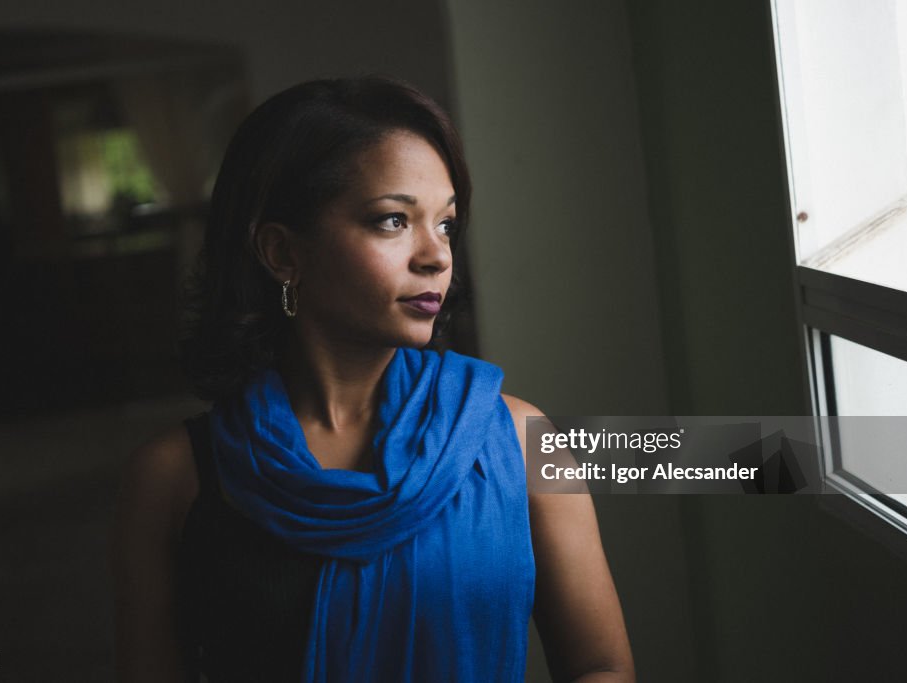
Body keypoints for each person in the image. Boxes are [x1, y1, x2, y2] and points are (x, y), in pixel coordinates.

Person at [112, 76, 633, 683]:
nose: (436, 255)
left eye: (446, 224)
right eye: (392, 221)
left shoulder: (520, 441)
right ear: (282, 253)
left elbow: (600, 667)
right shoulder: (174, 479)